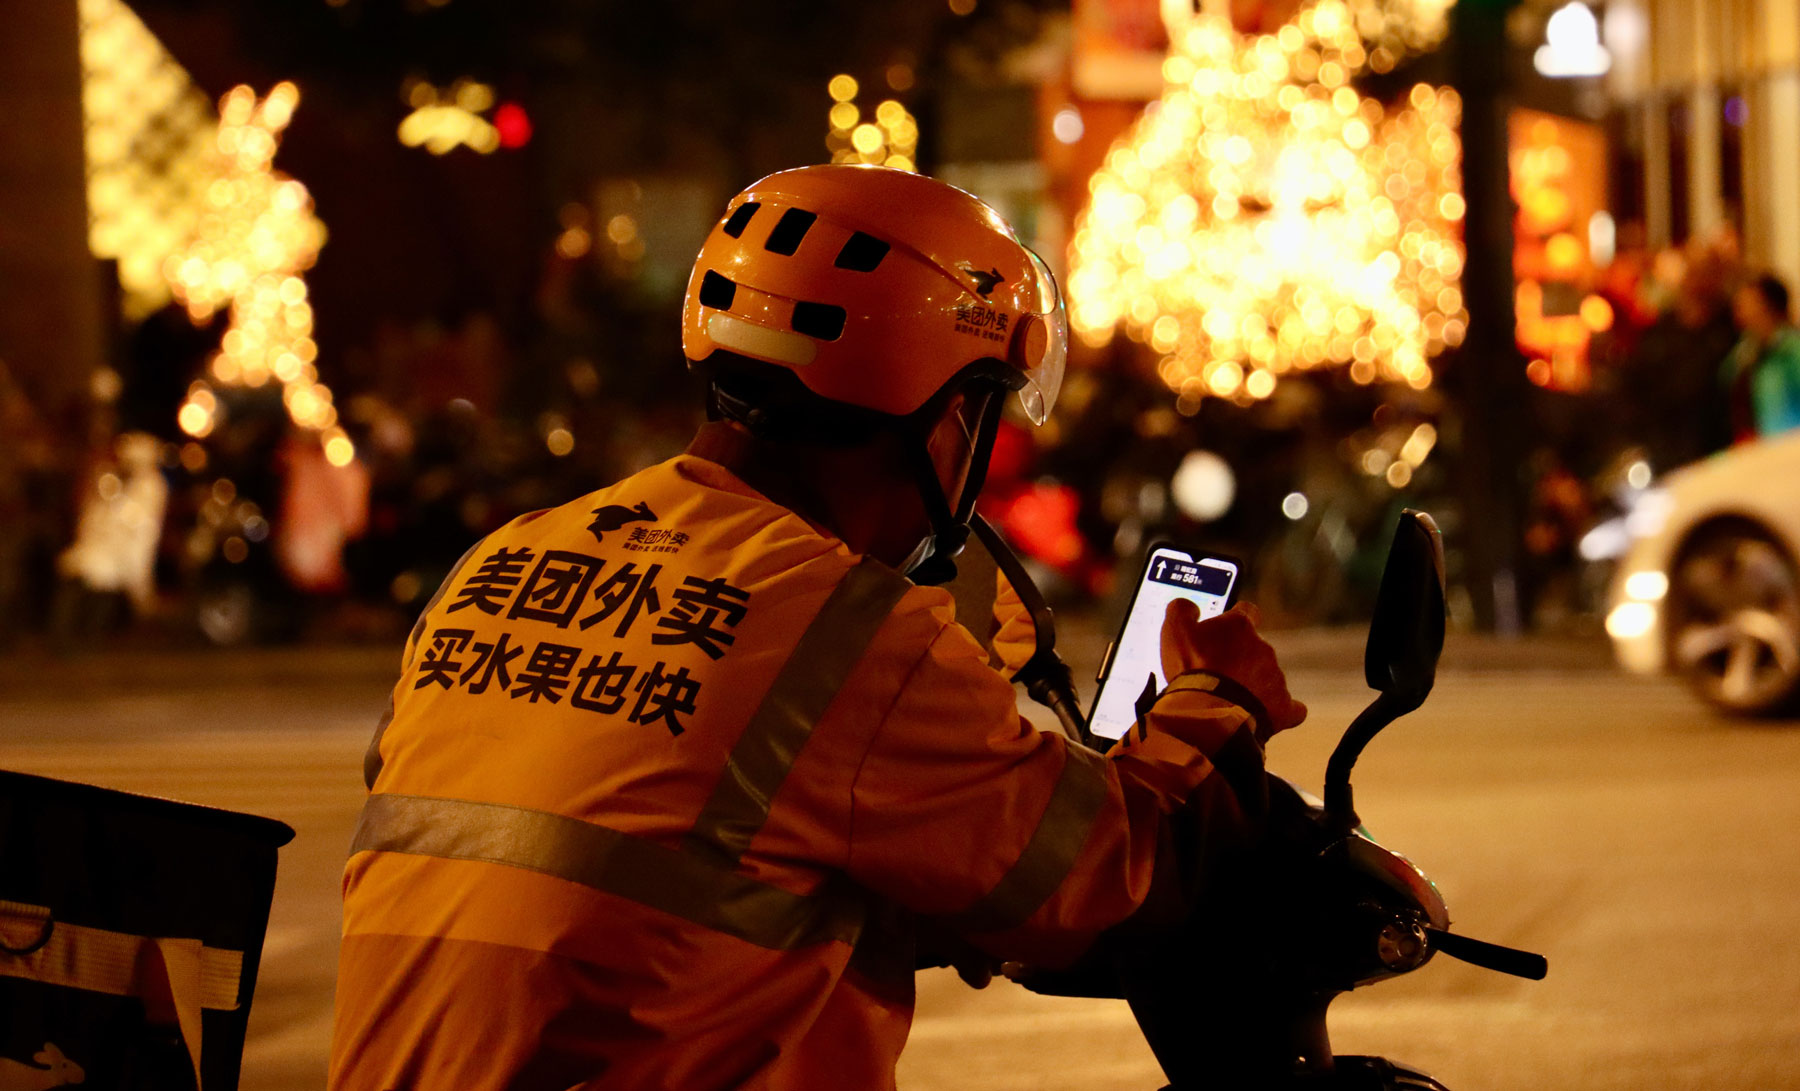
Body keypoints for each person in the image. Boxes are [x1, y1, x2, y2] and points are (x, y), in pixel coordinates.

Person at [329, 164, 1306, 1089]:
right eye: (986, 412)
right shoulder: (851, 630)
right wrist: (1214, 702)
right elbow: (1108, 876)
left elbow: (659, 849)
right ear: (938, 414)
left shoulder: (506, 559)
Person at [1722, 271, 1800, 443]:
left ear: (1768, 305)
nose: (1739, 312)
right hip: (1755, 446)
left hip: (1786, 448)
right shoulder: (1745, 351)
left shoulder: (1791, 349)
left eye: (1746, 303)